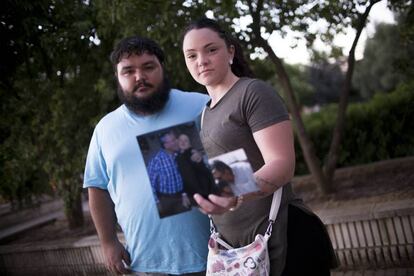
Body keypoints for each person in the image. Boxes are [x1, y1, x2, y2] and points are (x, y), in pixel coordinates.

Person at [181, 18, 337, 275]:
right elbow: (227, 173)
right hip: (238, 251)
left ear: (230, 51)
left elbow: (282, 164)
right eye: (192, 55)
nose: (201, 60)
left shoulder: (253, 92)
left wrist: (234, 193)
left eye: (211, 50)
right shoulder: (205, 113)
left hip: (284, 239)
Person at [83, 35, 210, 275]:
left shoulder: (201, 106)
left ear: (162, 68)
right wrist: (108, 242)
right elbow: (97, 188)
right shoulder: (105, 128)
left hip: (213, 255)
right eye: (128, 71)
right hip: (146, 262)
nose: (139, 77)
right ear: (118, 78)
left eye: (148, 67)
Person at [147, 131, 192, 218]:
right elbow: (150, 185)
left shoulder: (179, 155)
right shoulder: (156, 161)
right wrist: (157, 203)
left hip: (181, 195)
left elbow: (183, 177)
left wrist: (184, 194)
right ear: (165, 145)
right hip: (165, 199)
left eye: (175, 139)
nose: (177, 141)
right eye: (173, 140)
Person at [176, 133, 218, 204]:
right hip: (195, 192)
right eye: (181, 140)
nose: (183, 142)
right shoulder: (179, 156)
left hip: (204, 190)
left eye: (185, 140)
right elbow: (184, 177)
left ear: (190, 144)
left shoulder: (192, 152)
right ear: (177, 142)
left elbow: (200, 166)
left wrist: (199, 158)